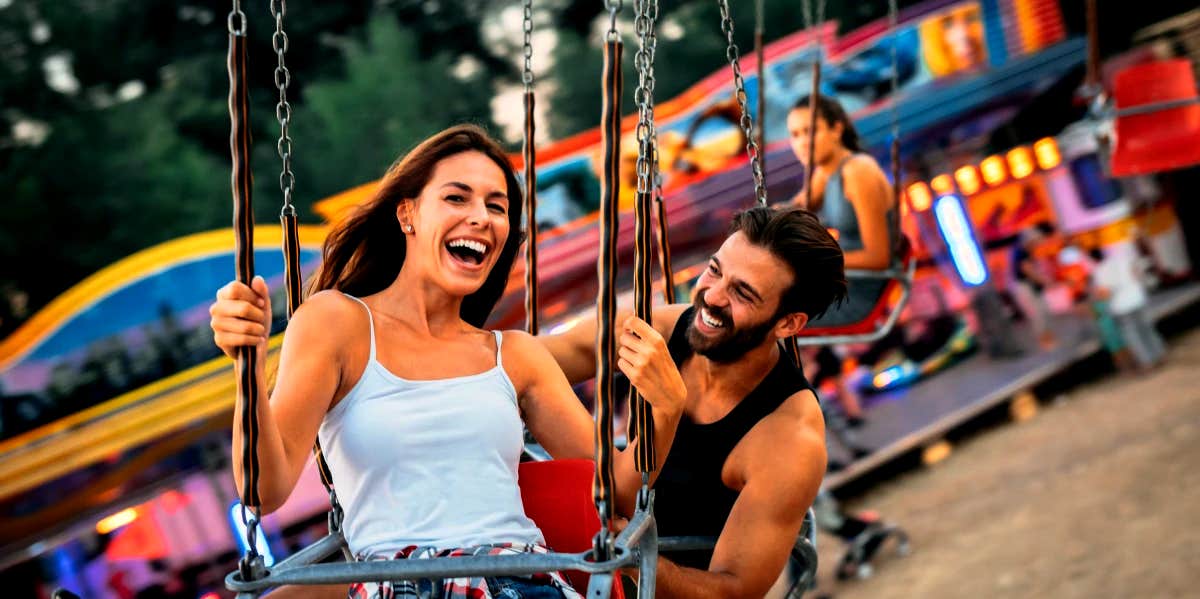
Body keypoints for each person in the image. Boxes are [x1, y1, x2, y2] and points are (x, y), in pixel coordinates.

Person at [209, 125, 687, 599]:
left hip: (520, 582)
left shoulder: (514, 356)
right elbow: (262, 491)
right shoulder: (337, 324)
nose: (481, 217)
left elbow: (620, 494)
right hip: (398, 587)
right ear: (407, 214)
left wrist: (664, 411)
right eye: (458, 198)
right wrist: (247, 368)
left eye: (496, 206)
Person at [540, 206, 835, 598]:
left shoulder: (788, 438)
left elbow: (734, 591)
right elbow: (538, 360)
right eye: (714, 270)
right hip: (588, 551)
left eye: (742, 292)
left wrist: (633, 562)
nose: (711, 296)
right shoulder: (658, 331)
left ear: (787, 324)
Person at [785, 94, 901, 422]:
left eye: (810, 131)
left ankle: (799, 417)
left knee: (762, 318)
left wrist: (817, 262)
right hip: (840, 286)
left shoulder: (858, 172)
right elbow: (791, 210)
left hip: (860, 293)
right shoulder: (826, 172)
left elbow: (879, 258)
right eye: (794, 134)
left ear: (836, 129)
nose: (801, 142)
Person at [1089, 246, 1167, 371]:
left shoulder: (1099, 272)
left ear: (1092, 259)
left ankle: (1147, 362)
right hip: (1137, 299)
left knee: (1133, 335)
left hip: (1121, 306)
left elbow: (1105, 293)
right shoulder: (1121, 261)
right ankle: (1160, 354)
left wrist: (1098, 300)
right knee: (1146, 328)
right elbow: (1137, 273)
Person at [1010, 222, 1060, 350]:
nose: (1038, 244)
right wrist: (1045, 281)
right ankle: (1045, 341)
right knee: (1039, 313)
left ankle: (1048, 338)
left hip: (1031, 286)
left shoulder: (1025, 251)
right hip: (1025, 286)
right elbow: (1028, 271)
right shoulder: (1021, 252)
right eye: (1036, 241)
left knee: (1044, 310)